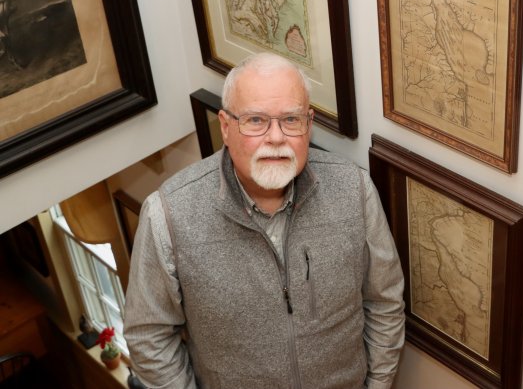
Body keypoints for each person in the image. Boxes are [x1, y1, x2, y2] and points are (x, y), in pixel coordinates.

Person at [124, 52, 405, 389]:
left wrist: (378, 385)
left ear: (309, 124)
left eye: (290, 119)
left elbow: (384, 301)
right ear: (226, 127)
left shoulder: (354, 190)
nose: (275, 137)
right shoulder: (168, 215)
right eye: (256, 120)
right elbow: (149, 336)